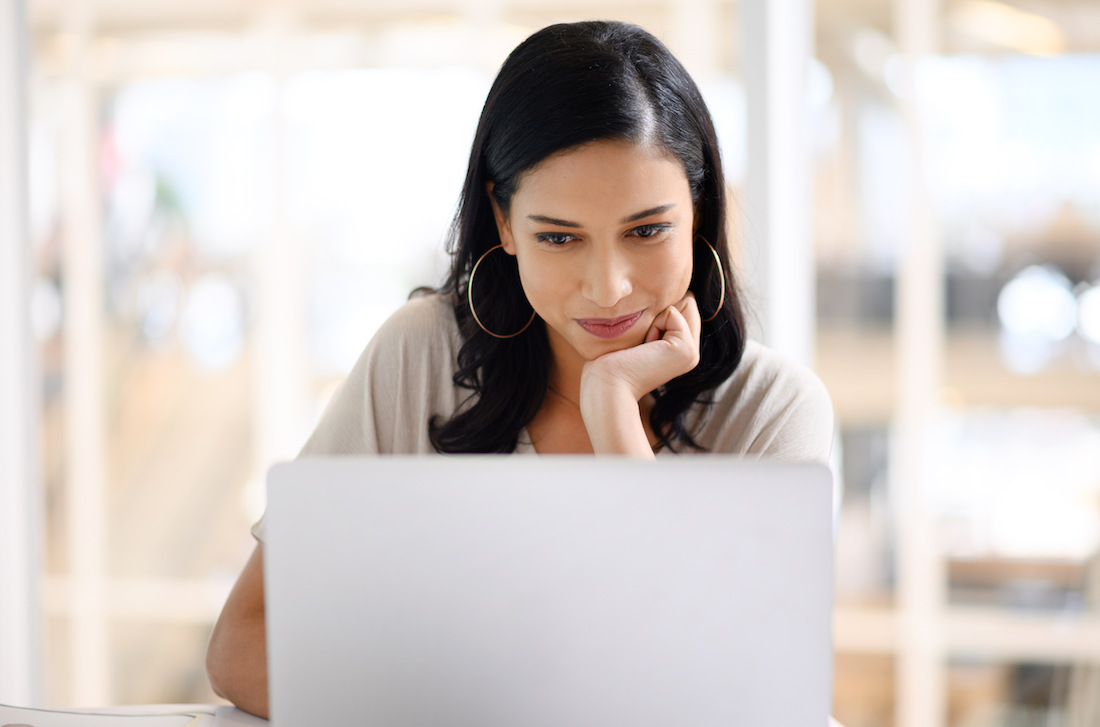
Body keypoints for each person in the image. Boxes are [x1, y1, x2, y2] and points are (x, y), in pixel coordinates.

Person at [205, 20, 834, 719]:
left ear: (698, 210)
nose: (608, 287)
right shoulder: (419, 359)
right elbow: (242, 644)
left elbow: (720, 704)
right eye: (559, 238)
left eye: (647, 230)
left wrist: (615, 408)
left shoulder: (773, 412)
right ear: (504, 222)